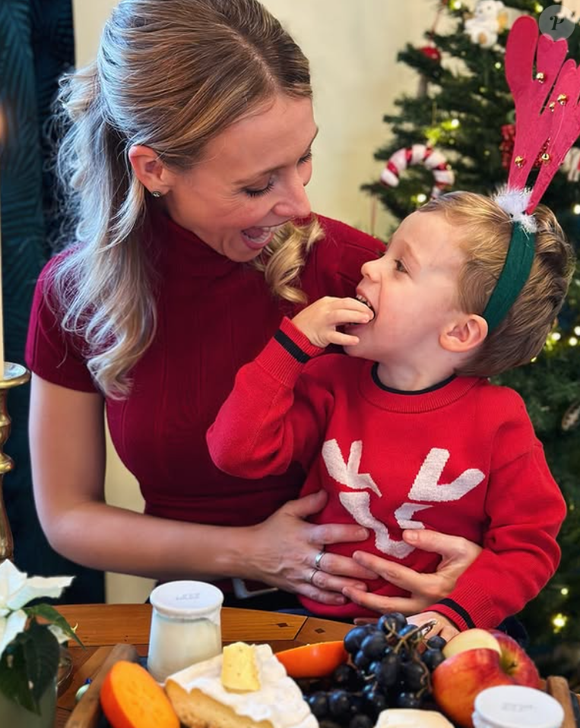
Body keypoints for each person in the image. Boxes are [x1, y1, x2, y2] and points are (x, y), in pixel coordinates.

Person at [26, 0, 479, 611]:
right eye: (257, 185)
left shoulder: (355, 272)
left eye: (303, 158)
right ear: (154, 168)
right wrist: (250, 551)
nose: (298, 204)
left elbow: (475, 440)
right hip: (197, 618)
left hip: (359, 619)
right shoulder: (73, 297)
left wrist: (482, 559)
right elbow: (67, 516)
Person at [208, 190, 574, 638]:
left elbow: (529, 547)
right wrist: (291, 346)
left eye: (400, 266)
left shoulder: (500, 423)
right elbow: (235, 452)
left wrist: (458, 613)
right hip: (316, 622)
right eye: (386, 252)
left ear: (459, 331)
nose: (369, 267)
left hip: (440, 626)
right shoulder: (331, 382)